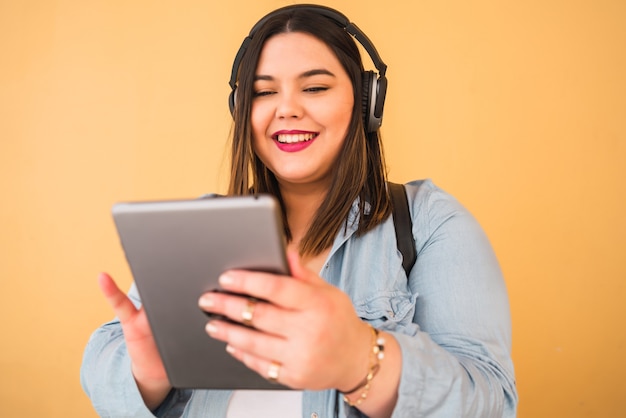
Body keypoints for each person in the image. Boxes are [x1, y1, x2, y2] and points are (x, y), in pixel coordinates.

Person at [81, 4, 517, 417]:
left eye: (315, 87)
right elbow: (105, 366)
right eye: (264, 92)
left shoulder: (428, 222)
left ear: (366, 104)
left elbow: (492, 401)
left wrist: (360, 360)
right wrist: (148, 374)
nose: (287, 108)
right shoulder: (198, 228)